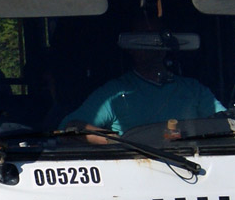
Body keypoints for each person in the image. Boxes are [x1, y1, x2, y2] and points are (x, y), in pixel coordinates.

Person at [60, 19, 224, 140]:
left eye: (157, 38)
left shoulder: (193, 89)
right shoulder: (115, 92)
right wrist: (116, 143)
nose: (151, 45)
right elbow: (71, 126)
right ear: (130, 46)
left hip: (193, 167)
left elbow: (225, 124)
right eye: (143, 38)